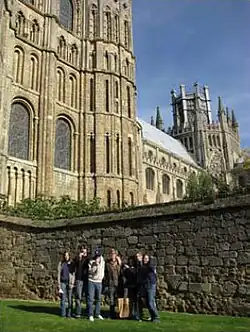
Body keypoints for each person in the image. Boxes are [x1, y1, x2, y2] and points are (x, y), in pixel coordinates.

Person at [140, 254, 160, 323]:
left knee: (150, 302)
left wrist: (150, 260)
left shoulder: (151, 265)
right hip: (145, 285)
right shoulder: (143, 266)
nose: (144, 260)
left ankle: (156, 317)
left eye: (146, 258)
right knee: (147, 303)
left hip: (151, 284)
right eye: (144, 258)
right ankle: (152, 316)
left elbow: (151, 268)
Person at [87, 249, 105, 322]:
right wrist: (96, 265)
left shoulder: (103, 261)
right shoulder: (91, 262)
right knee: (90, 299)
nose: (97, 257)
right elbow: (90, 271)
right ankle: (90, 315)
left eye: (98, 256)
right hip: (91, 281)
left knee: (98, 299)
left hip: (99, 282)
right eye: (96, 256)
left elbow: (102, 270)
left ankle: (97, 314)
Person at [57, 251, 75, 318]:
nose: (66, 257)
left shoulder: (72, 263)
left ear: (69, 256)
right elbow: (58, 274)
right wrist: (59, 284)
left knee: (70, 299)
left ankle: (69, 314)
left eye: (67, 255)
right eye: (65, 255)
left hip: (69, 283)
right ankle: (63, 314)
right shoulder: (61, 263)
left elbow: (73, 274)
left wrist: (72, 283)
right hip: (62, 283)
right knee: (63, 299)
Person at [105, 248, 122, 318]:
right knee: (111, 300)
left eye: (114, 254)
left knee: (117, 299)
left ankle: (119, 314)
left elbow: (121, 273)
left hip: (118, 283)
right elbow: (106, 273)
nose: (112, 255)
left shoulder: (119, 263)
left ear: (116, 255)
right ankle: (111, 314)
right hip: (111, 283)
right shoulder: (108, 264)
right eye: (111, 254)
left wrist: (120, 263)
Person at [74, 245, 89, 318]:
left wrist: (85, 256)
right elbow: (74, 265)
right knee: (78, 297)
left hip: (86, 280)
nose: (83, 252)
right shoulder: (77, 258)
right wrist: (79, 258)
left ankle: (87, 313)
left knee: (87, 297)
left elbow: (89, 264)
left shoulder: (88, 259)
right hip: (79, 279)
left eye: (84, 251)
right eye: (82, 251)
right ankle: (78, 313)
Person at [134, 252, 144, 321]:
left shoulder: (143, 264)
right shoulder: (136, 265)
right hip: (137, 284)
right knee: (137, 300)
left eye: (138, 257)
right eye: (136, 257)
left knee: (145, 300)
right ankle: (138, 315)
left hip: (143, 285)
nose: (137, 258)